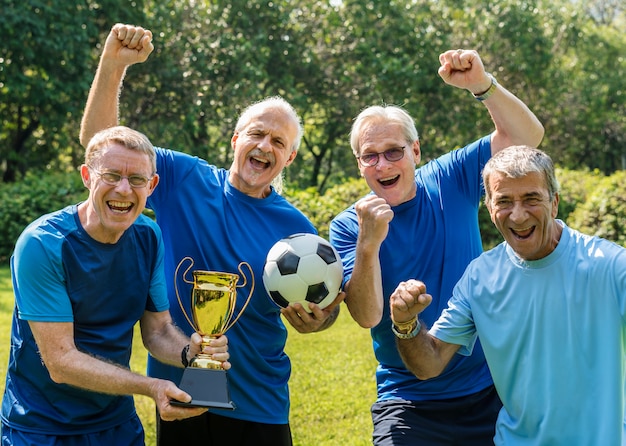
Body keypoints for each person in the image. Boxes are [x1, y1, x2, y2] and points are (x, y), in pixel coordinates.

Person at [79, 24, 342, 446]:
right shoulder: (184, 177)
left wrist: (318, 321)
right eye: (256, 133)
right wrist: (113, 67)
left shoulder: (297, 229)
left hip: (259, 400)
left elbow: (322, 312)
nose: (264, 145)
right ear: (236, 139)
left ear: (289, 157)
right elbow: (101, 146)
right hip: (180, 392)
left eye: (278, 141)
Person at [329, 49, 545, 445]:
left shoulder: (448, 178)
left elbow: (526, 138)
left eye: (394, 151)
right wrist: (368, 244)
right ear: (359, 165)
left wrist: (482, 85)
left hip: (490, 387)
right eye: (370, 157)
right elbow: (366, 315)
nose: (382, 165)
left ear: (415, 151)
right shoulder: (349, 226)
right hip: (409, 399)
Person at [0, 126, 230, 445]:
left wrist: (191, 352)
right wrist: (151, 386)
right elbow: (61, 362)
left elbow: (158, 331)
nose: (124, 189)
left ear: (152, 186)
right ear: (86, 176)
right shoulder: (43, 244)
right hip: (42, 427)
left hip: (118, 425)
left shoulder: (149, 236)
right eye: (111, 175)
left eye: (136, 179)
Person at [389, 145, 626, 444]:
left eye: (531, 199)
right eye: (504, 201)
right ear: (489, 208)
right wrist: (406, 324)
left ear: (554, 203)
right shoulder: (480, 277)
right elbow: (429, 364)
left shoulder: (610, 266)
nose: (517, 214)